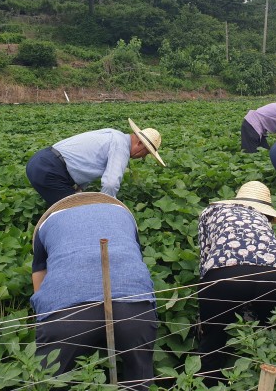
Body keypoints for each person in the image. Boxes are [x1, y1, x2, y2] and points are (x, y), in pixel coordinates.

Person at [31, 192, 157, 390]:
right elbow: (135, 257)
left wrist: (44, 315)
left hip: (67, 314)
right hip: (133, 305)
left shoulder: (48, 224)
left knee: (51, 380)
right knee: (138, 376)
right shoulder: (122, 215)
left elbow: (39, 273)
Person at [197, 181, 276, 385]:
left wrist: (209, 306)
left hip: (225, 272)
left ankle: (211, 384)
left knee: (213, 342)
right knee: (273, 340)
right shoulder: (263, 220)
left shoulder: (212, 211)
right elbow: (259, 268)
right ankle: (264, 383)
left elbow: (205, 255)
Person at [26, 118, 165, 206]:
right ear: (140, 144)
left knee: (66, 206)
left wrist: (79, 190)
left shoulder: (113, 134)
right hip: (49, 170)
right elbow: (111, 183)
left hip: (40, 161)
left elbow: (87, 163)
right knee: (74, 213)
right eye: (145, 154)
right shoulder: (121, 146)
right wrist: (105, 209)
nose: (141, 158)